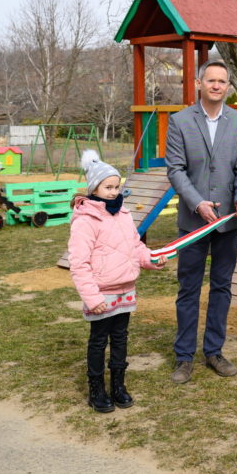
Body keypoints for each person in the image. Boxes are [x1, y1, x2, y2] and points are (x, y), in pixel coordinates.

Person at [165, 60, 237, 384]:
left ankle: (214, 351)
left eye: (222, 81)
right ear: (199, 83)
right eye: (211, 80)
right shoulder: (179, 122)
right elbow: (175, 169)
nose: (217, 85)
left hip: (230, 222)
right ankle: (184, 357)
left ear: (228, 87)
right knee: (188, 289)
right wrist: (197, 203)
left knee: (221, 288)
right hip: (193, 221)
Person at [68, 150, 167, 413]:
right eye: (108, 187)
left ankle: (118, 386)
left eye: (116, 187)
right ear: (94, 188)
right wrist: (92, 298)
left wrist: (150, 259)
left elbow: (135, 245)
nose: (114, 192)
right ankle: (97, 389)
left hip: (125, 290)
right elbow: (78, 263)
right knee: (99, 341)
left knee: (121, 338)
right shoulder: (85, 220)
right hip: (101, 294)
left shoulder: (123, 214)